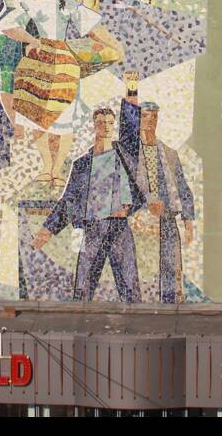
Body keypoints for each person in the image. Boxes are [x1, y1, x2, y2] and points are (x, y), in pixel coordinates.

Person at [0, 0, 123, 188]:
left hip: (55, 53)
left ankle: (56, 169)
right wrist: (28, 40)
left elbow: (89, 23)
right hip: (29, 48)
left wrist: (114, 45)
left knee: (62, 114)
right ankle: (44, 162)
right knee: (29, 108)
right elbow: (8, 25)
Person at [32, 108, 144, 302]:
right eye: (101, 122)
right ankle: (77, 321)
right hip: (93, 227)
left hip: (120, 228)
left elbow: (132, 127)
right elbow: (68, 200)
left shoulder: (124, 156)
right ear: (94, 125)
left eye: (110, 122)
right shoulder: (82, 164)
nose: (106, 126)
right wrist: (47, 229)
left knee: (129, 285)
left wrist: (131, 91)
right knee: (83, 286)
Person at [119, 70, 195, 304]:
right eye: (145, 117)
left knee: (171, 264)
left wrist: (189, 223)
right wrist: (132, 89)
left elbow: (183, 189)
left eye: (153, 117)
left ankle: (171, 301)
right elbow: (126, 125)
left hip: (168, 217)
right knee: (142, 265)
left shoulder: (169, 154)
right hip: (139, 217)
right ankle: (140, 304)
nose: (149, 121)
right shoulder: (131, 151)